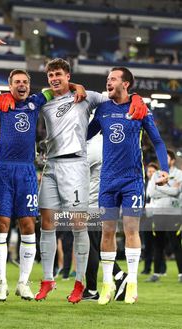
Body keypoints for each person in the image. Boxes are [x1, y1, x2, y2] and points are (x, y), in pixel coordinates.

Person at [0, 59, 148, 304]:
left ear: (68, 76)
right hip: (51, 164)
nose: (54, 79)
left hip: (76, 165)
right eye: (51, 75)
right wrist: (6, 97)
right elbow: (24, 99)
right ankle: (47, 280)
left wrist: (137, 98)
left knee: (80, 225)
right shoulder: (44, 100)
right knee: (47, 222)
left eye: (59, 74)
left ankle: (81, 284)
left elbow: (117, 97)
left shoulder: (86, 97)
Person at [0, 39, 85, 302]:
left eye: (25, 81)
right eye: (17, 82)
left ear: (29, 85)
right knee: (2, 225)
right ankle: (1, 283)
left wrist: (77, 85)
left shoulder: (38, 100)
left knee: (28, 225)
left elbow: (59, 86)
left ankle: (23, 283)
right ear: (10, 85)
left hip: (27, 171)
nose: (22, 85)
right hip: (3, 171)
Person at [87, 66, 169, 305]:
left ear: (126, 84)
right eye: (107, 79)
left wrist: (163, 168)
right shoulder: (102, 109)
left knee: (131, 230)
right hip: (108, 180)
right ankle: (107, 283)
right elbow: (85, 134)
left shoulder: (140, 109)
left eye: (113, 79)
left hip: (132, 179)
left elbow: (158, 141)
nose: (108, 82)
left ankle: (131, 281)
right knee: (107, 232)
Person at [82, 132, 128, 302]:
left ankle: (93, 289)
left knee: (92, 247)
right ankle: (119, 276)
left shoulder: (94, 146)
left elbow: (79, 173)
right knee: (102, 246)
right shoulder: (113, 145)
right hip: (109, 203)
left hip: (93, 203)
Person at [146, 149, 182, 283]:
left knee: (176, 244)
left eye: (166, 158)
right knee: (158, 244)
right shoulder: (155, 174)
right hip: (159, 213)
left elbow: (177, 192)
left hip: (173, 213)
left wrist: (159, 187)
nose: (163, 160)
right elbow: (151, 193)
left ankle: (181, 275)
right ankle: (156, 274)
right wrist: (170, 190)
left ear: (172, 160)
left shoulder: (179, 174)